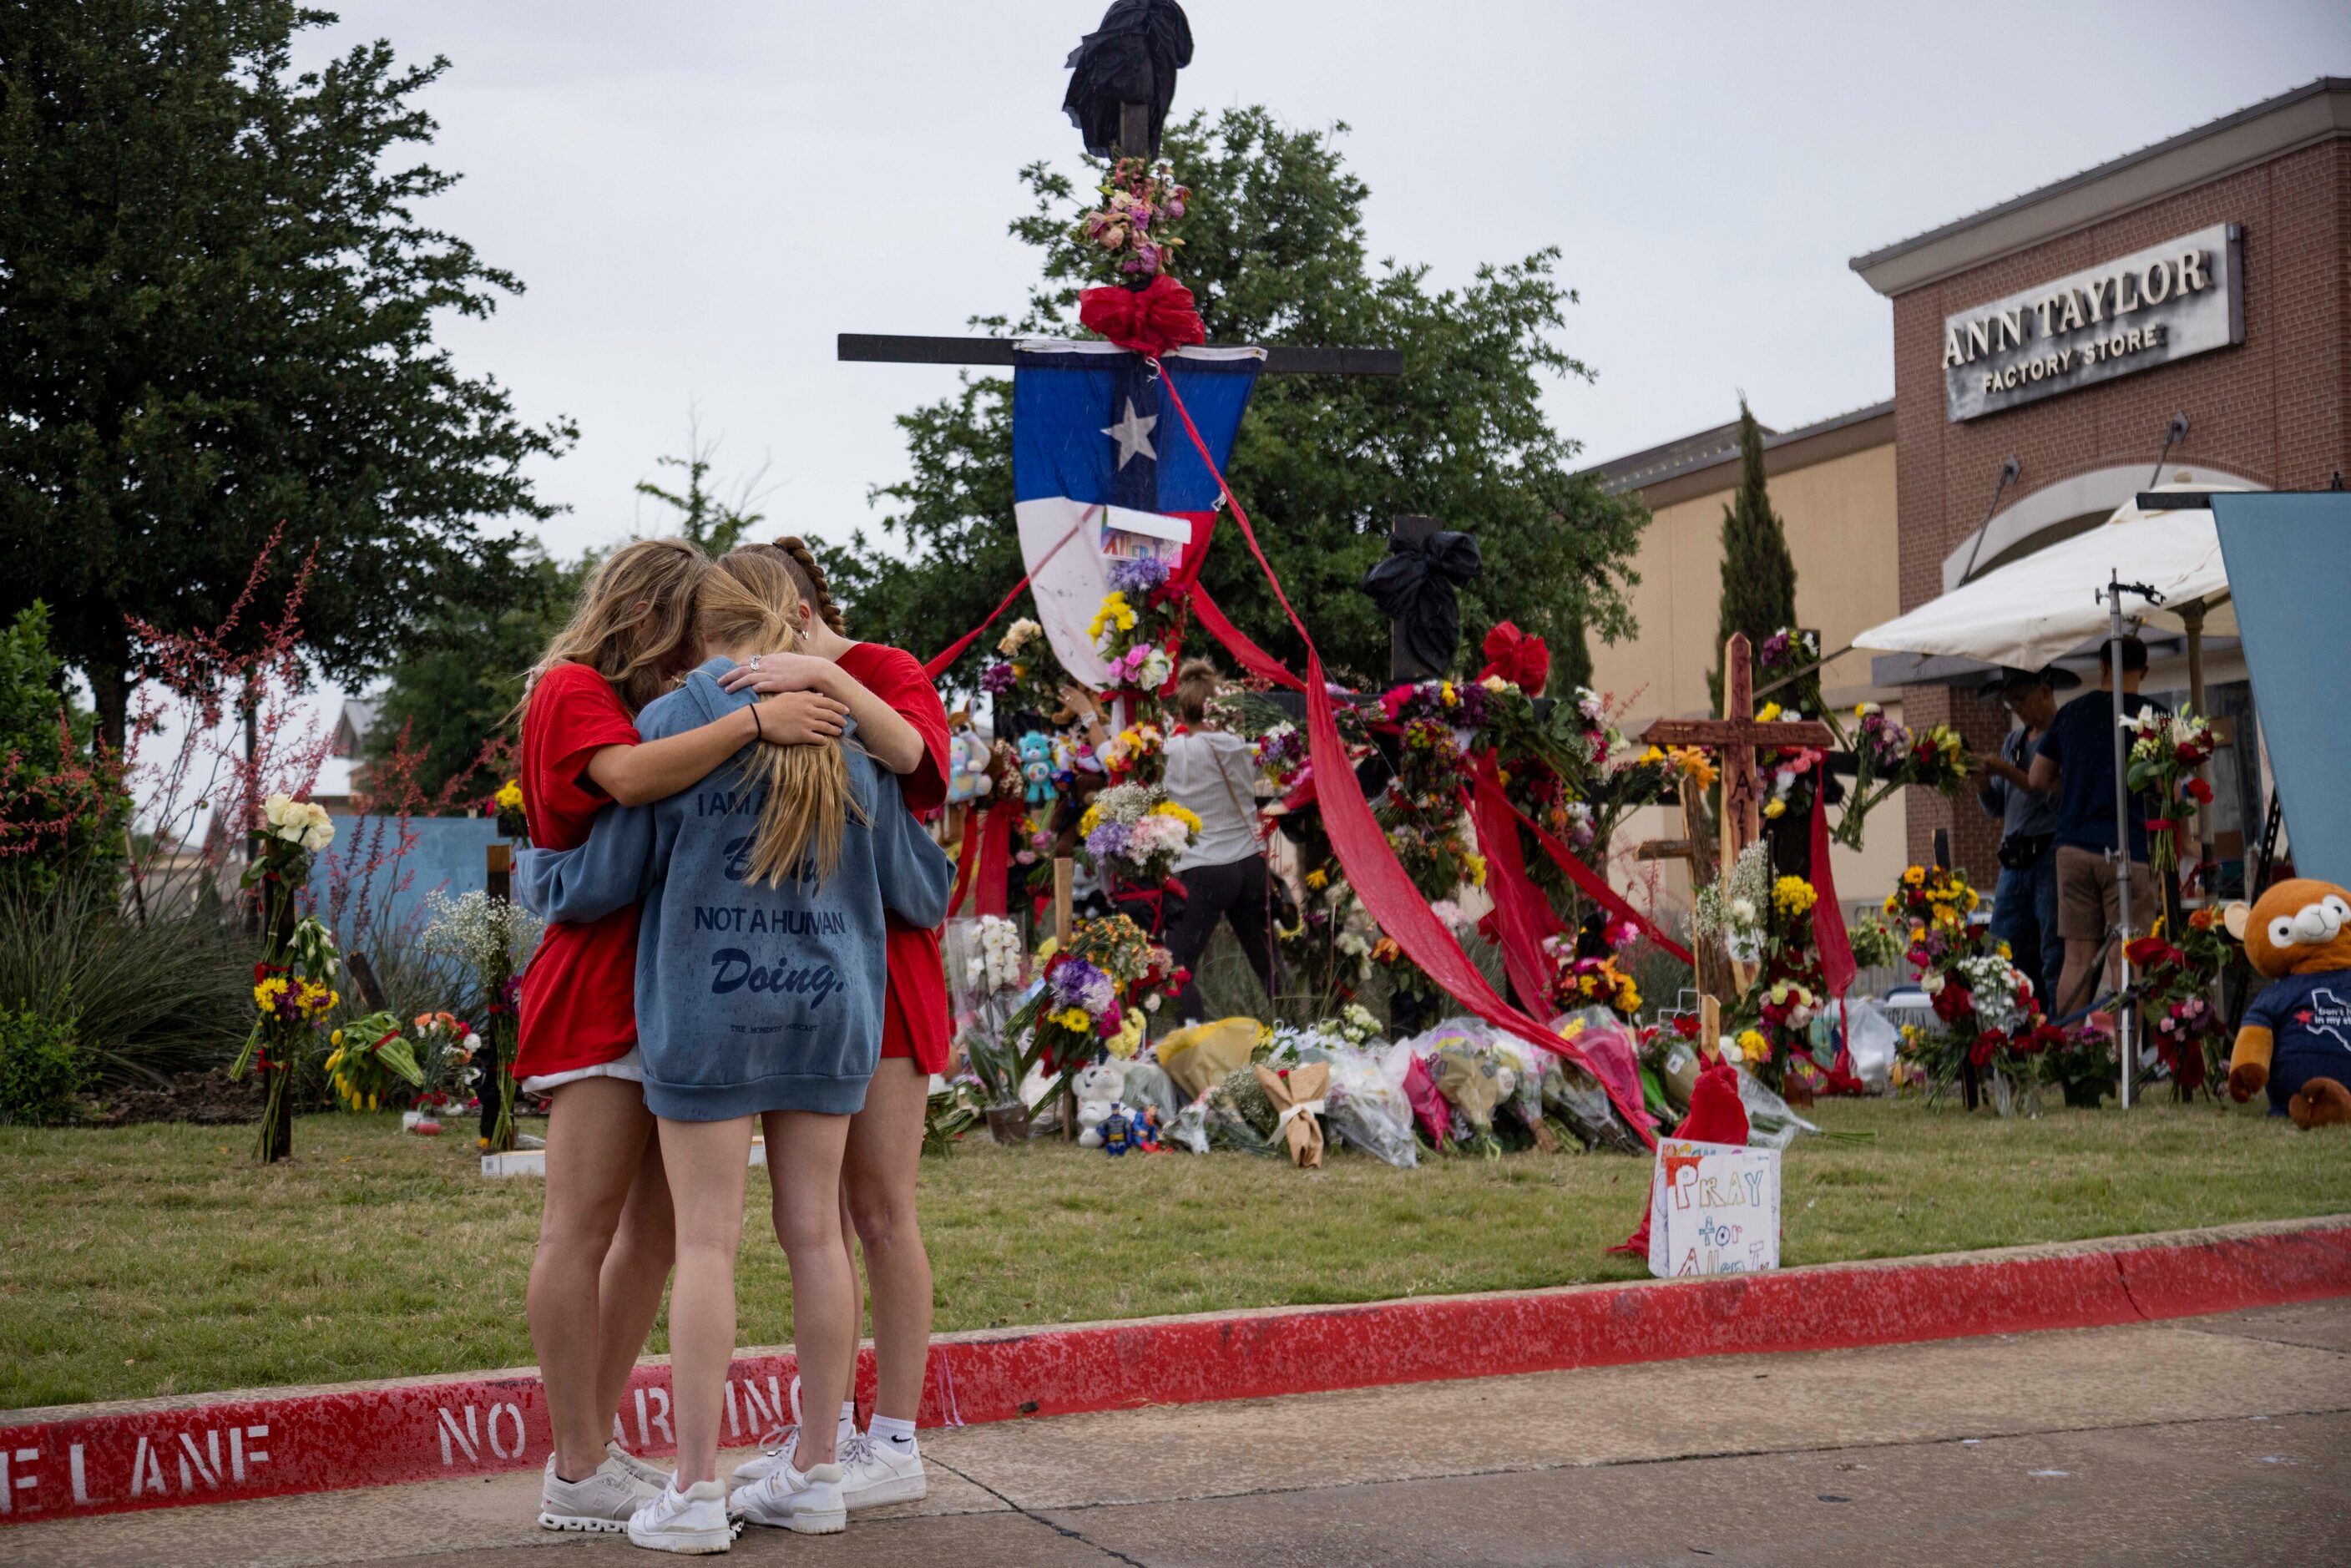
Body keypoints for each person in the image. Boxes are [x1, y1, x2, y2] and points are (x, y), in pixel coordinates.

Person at [517, 549, 953, 1551]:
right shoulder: (847, 727)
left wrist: (539, 880)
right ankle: (816, 1471)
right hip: (831, 1008)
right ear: (792, 617)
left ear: (702, 627)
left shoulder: (677, 720)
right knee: (817, 1237)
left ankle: (696, 1490)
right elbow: (918, 890)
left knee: (703, 1241)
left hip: (706, 1010)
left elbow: (607, 877)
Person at [715, 539, 949, 1514]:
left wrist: (818, 675)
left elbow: (918, 760)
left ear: (801, 615)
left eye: (762, 638)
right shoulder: (753, 690)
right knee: (812, 1221)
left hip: (887, 969)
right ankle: (831, 1435)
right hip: (807, 965)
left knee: (878, 1208)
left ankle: (893, 1436)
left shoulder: (880, 670)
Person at [2028, 636, 2170, 1016]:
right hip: (2130, 848)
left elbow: (2038, 778)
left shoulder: (2071, 712)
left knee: (2075, 957)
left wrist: (2074, 786)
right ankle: (2125, 1059)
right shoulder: (2158, 718)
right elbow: (2166, 786)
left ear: (2103, 666)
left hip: (2072, 848)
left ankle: (2071, 1055)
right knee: (2127, 956)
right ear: (2145, 670)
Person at [1157, 657, 1277, 1020]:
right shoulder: (1239, 746)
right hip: (1248, 865)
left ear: (1182, 709)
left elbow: (1120, 755)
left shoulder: (1172, 751)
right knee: (1268, 966)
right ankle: (1298, 1033)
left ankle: (1195, 1054)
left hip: (1203, 870)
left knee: (1177, 969)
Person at [1970, 668, 2065, 1007]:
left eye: (2022, 700)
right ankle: (2005, 1032)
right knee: (1999, 953)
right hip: (2012, 860)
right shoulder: (2013, 742)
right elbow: (1996, 807)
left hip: (2048, 856)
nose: (2019, 710)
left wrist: (2004, 770)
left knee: (2053, 952)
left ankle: (2058, 1033)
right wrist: (1982, 781)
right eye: (2012, 704)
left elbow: (2048, 793)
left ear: (2044, 690)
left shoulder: (2061, 735)